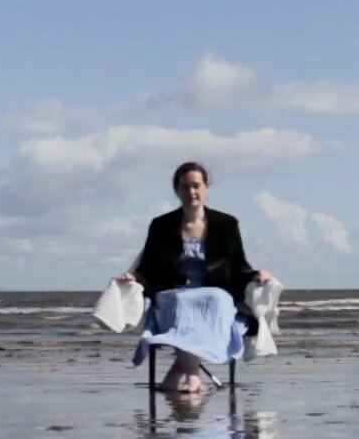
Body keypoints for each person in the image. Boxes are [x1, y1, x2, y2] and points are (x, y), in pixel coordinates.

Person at [116, 161, 273, 396]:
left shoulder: (226, 224)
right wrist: (132, 278)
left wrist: (255, 274)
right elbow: (148, 268)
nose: (191, 192)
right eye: (185, 187)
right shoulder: (161, 225)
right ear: (177, 190)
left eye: (196, 185)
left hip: (214, 292)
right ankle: (193, 377)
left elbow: (238, 265)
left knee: (217, 299)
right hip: (173, 293)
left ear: (206, 187)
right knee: (183, 304)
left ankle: (175, 376)